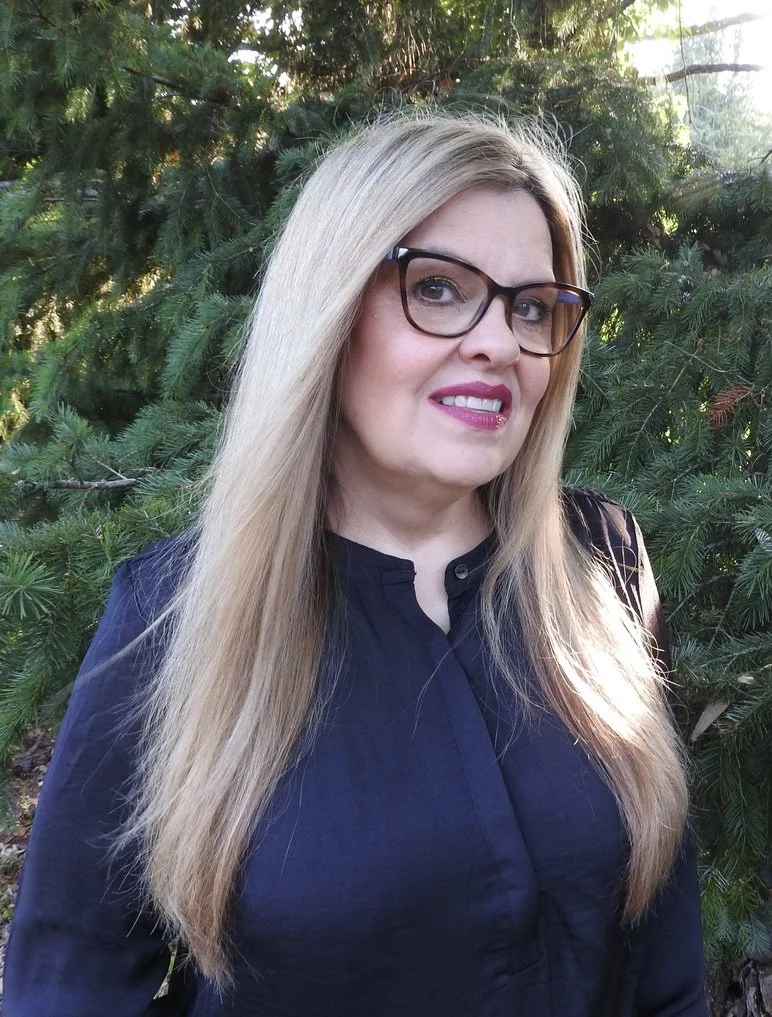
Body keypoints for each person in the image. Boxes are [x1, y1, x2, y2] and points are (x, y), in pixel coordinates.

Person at [4, 111, 707, 1016]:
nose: (500, 342)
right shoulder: (174, 618)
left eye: (532, 306)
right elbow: (68, 984)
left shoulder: (600, 563)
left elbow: (666, 969)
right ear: (330, 312)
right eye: (440, 288)